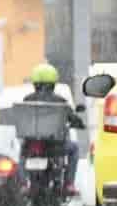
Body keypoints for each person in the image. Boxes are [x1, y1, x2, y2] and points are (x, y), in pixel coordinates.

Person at [22, 63, 85, 195]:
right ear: (53, 82)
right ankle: (69, 184)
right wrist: (79, 123)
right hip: (55, 146)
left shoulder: (27, 100)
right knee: (74, 149)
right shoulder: (60, 101)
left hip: (31, 145)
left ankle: (24, 183)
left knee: (22, 154)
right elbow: (73, 118)